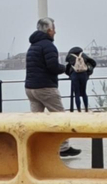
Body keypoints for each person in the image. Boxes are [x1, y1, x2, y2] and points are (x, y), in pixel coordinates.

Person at [24, 18, 77, 157]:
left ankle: (36, 147)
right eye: (54, 29)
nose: (55, 31)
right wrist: (66, 68)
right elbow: (52, 66)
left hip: (30, 88)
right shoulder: (48, 46)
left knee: (37, 119)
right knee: (59, 116)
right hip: (45, 87)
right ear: (49, 30)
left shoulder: (33, 46)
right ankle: (64, 147)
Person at [66, 46, 97, 111]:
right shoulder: (83, 55)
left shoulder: (70, 56)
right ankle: (86, 109)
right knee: (84, 92)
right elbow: (93, 63)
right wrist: (88, 71)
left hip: (75, 75)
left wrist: (69, 74)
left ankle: (79, 110)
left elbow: (67, 67)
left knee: (77, 93)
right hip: (84, 75)